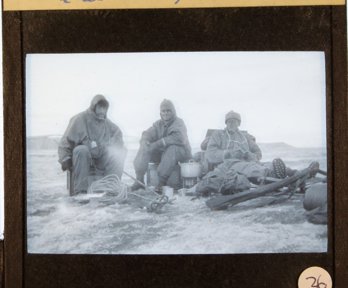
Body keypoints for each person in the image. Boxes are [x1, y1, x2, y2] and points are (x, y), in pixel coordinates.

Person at [58, 94, 127, 195]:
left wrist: (114, 146)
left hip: (100, 159)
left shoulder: (108, 124)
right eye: (99, 107)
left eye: (104, 108)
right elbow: (65, 141)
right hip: (82, 159)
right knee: (81, 149)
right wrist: (65, 158)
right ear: (94, 106)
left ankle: (110, 188)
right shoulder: (79, 119)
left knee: (119, 151)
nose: (102, 111)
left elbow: (118, 136)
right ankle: (81, 191)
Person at [132, 99, 192, 191]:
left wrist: (157, 144)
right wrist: (145, 140)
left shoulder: (179, 122)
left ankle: (161, 183)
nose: (166, 113)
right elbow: (148, 133)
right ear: (160, 113)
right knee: (145, 147)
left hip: (181, 153)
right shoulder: (158, 124)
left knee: (172, 148)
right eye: (163, 111)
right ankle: (139, 179)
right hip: (164, 154)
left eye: (168, 110)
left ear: (173, 112)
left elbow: (179, 138)